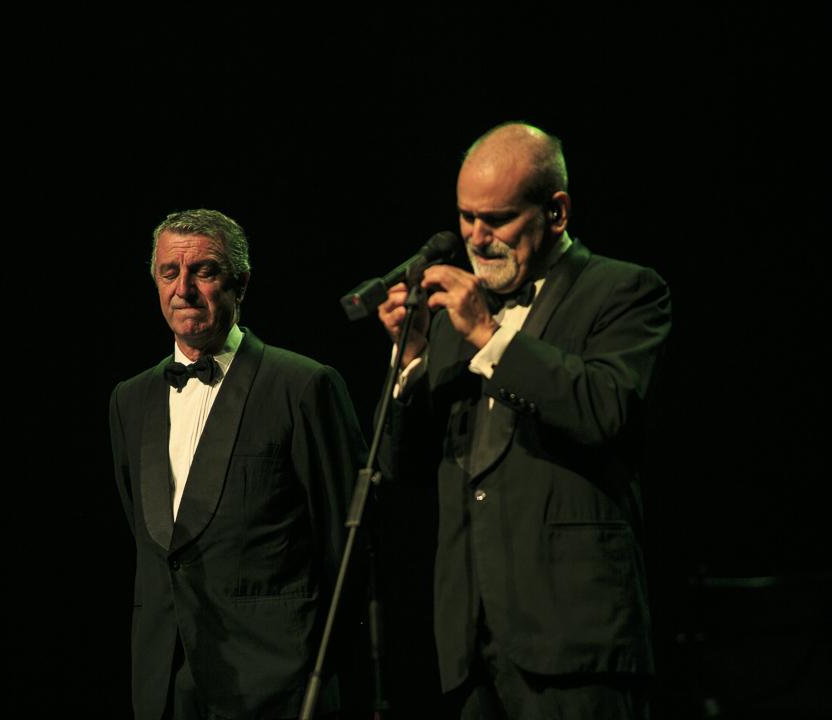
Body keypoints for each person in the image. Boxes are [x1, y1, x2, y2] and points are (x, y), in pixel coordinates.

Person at [377, 123, 671, 718]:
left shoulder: (623, 290)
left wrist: (491, 337)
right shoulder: (451, 320)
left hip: (574, 635)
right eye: (466, 217)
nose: (476, 237)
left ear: (556, 212)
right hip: (471, 640)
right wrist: (411, 360)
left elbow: (604, 408)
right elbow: (402, 468)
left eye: (498, 219)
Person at [110, 208, 366, 720]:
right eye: (169, 272)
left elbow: (349, 547)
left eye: (203, 271)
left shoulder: (303, 385)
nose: (183, 289)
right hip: (165, 683)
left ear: (241, 283)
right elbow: (152, 541)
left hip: (275, 683)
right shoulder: (128, 399)